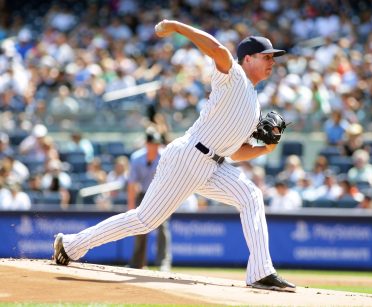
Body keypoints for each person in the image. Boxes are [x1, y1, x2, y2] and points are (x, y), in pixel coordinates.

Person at [53, 19, 296, 292]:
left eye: (273, 57)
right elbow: (217, 48)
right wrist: (175, 26)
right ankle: (72, 245)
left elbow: (236, 153)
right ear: (248, 59)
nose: (272, 61)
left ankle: (261, 272)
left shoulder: (254, 104)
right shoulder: (234, 76)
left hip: (214, 165)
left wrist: (266, 148)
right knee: (145, 220)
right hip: (190, 156)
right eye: (266, 56)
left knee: (250, 196)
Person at [127, 127, 172, 271]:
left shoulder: (165, 155)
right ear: (146, 143)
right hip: (143, 194)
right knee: (139, 227)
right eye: (152, 143)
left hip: (161, 195)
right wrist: (131, 204)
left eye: (156, 143)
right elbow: (132, 184)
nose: (154, 146)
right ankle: (138, 263)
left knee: (162, 228)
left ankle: (163, 262)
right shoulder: (137, 158)